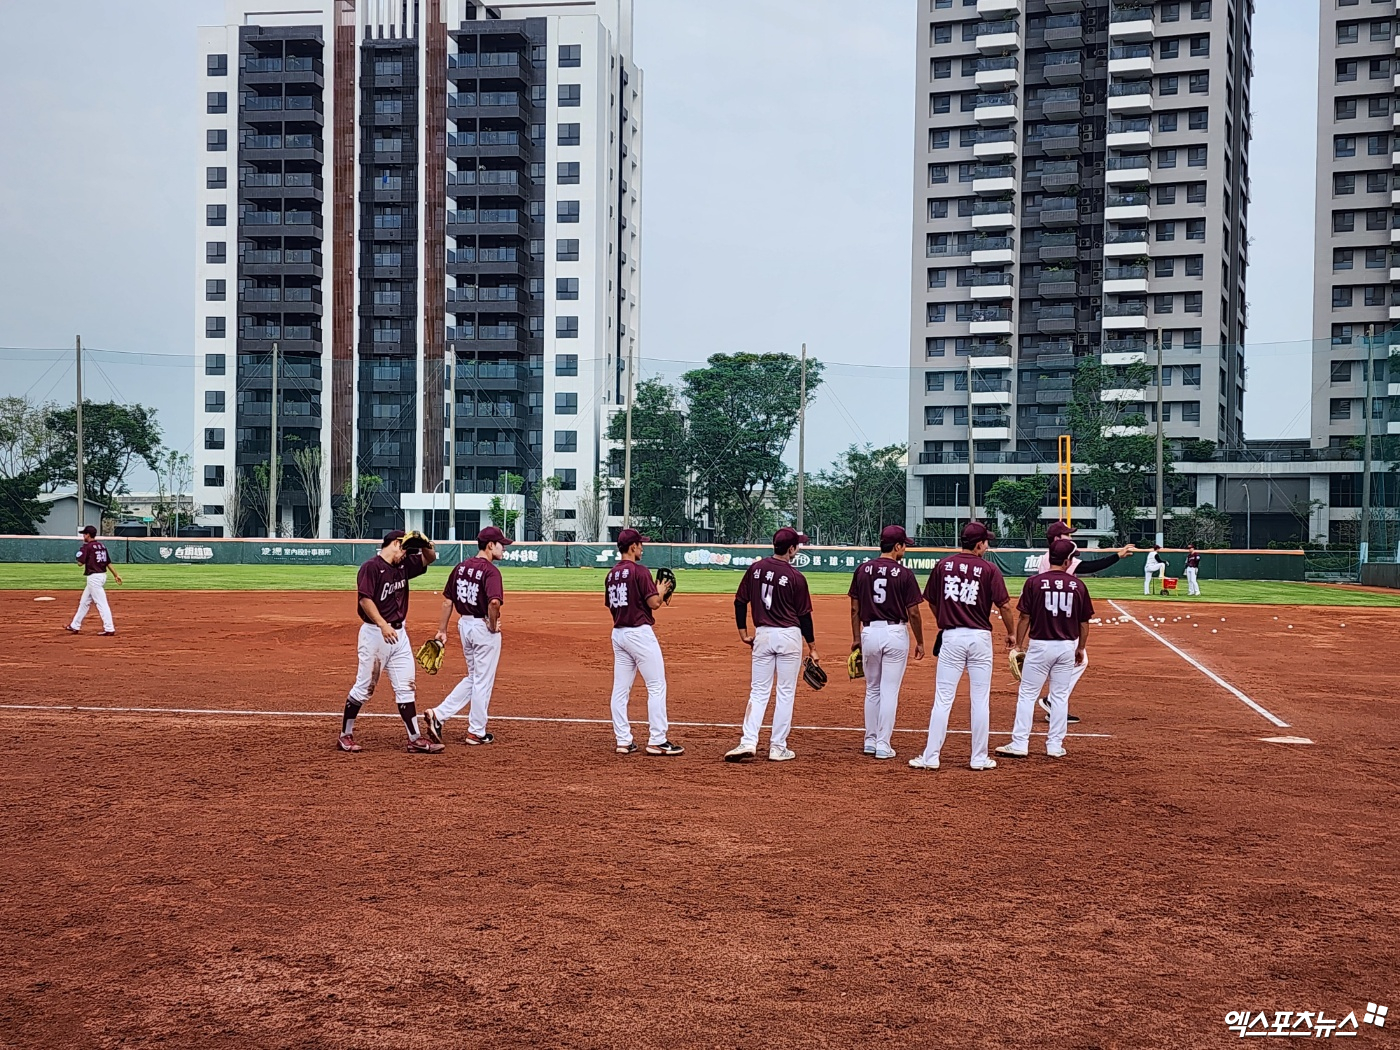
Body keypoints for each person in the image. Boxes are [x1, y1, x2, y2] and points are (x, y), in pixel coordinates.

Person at [909, 521, 1013, 772]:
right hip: (980, 639)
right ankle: (978, 758)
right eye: (986, 541)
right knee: (980, 700)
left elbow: (931, 600)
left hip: (952, 637)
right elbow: (1005, 606)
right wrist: (1011, 634)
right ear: (979, 544)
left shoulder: (943, 565)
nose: (987, 545)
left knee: (943, 700)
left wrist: (944, 619)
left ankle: (931, 757)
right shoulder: (989, 569)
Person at [338, 530, 442, 754]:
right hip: (375, 634)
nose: (407, 555)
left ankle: (414, 738)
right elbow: (365, 599)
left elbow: (429, 558)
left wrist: (427, 543)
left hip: (399, 636)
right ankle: (345, 735)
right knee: (365, 688)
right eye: (405, 549)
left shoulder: (403, 565)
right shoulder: (371, 568)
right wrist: (383, 624)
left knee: (406, 687)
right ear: (395, 544)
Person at [725, 527, 819, 763]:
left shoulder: (756, 569)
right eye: (797, 545)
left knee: (758, 691)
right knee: (785, 693)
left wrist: (743, 633)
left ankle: (748, 741)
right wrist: (813, 647)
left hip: (763, 635)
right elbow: (805, 616)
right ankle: (778, 747)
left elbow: (739, 602)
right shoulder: (797, 577)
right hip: (789, 636)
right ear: (791, 549)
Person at [996, 537, 1093, 761]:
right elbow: (1084, 623)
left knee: (1028, 694)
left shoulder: (1034, 582)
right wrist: (1081, 648)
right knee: (1059, 697)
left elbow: (1024, 617)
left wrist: (1018, 645)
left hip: (1040, 646)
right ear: (1068, 561)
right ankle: (1054, 745)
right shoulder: (1078, 585)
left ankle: (1020, 743)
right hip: (1067, 647)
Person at [1031, 521, 1132, 724]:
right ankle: (1053, 701)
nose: (1072, 538)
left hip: (1045, 616)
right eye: (1068, 535)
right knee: (1076, 660)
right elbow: (1089, 567)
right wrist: (1117, 556)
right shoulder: (1062, 559)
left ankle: (1054, 702)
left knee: (1057, 663)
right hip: (1062, 619)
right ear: (1057, 539)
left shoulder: (1045, 558)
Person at [420, 526, 511, 748]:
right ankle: (476, 732)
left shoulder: (460, 567)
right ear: (490, 545)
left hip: (464, 626)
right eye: (501, 544)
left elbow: (447, 601)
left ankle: (438, 715)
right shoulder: (491, 572)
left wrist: (442, 629)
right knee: (483, 681)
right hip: (482, 628)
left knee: (474, 677)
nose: (503, 548)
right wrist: (491, 623)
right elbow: (494, 602)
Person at [847, 524, 925, 760]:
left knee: (872, 689)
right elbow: (913, 613)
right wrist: (920, 641)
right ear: (897, 546)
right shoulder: (904, 573)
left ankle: (870, 741)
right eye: (905, 546)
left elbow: (854, 609)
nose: (905, 550)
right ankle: (883, 744)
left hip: (869, 632)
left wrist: (856, 638)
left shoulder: (863, 570)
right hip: (894, 632)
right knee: (889, 690)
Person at [605, 528, 683, 756]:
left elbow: (612, 605)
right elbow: (654, 603)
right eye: (640, 544)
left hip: (618, 633)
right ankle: (658, 740)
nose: (642, 548)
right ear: (632, 547)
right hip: (639, 633)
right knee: (656, 685)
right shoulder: (639, 571)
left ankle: (623, 741)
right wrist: (660, 590)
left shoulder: (610, 575)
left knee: (620, 689)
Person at [66, 525, 122, 636]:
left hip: (94, 578)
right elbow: (108, 563)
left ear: (88, 535)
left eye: (84, 534)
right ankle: (74, 625)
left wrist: (78, 557)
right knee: (84, 602)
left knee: (101, 603)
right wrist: (116, 575)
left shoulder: (87, 547)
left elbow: (80, 563)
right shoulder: (101, 545)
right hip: (101, 576)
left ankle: (109, 628)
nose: (83, 536)